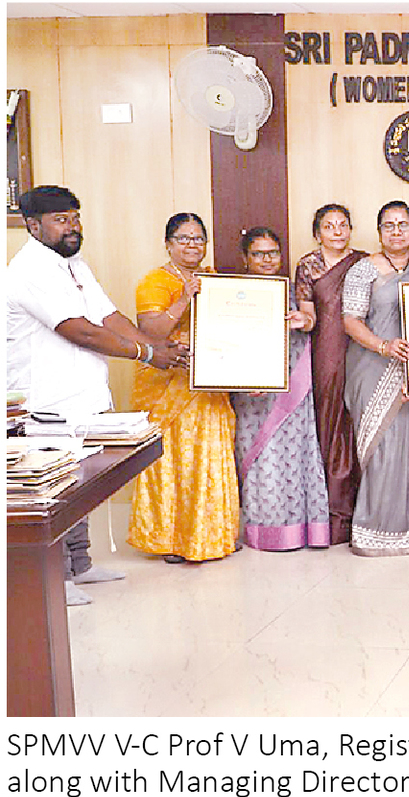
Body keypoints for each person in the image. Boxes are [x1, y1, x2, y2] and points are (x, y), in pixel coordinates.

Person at [7, 186, 187, 605]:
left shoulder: (74, 264)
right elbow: (80, 331)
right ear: (33, 226)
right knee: (55, 488)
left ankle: (81, 564)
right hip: (46, 401)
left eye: (75, 217)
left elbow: (107, 316)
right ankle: (58, 579)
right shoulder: (29, 270)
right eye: (61, 220)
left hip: (82, 396)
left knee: (82, 483)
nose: (72, 227)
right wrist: (147, 354)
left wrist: (154, 346)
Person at [128, 212, 239, 564]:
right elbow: (152, 333)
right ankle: (173, 539)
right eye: (184, 238)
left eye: (198, 238)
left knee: (211, 456)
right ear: (168, 244)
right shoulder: (154, 282)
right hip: (169, 386)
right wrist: (185, 297)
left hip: (208, 383)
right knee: (177, 461)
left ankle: (213, 534)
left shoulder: (213, 278)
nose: (193, 245)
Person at [341, 201, 409, 556]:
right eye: (389, 225)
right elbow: (351, 320)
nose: (396, 231)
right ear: (379, 231)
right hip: (372, 367)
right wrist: (384, 346)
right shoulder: (362, 270)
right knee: (382, 445)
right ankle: (377, 529)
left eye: (403, 224)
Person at [230, 227, 330, 551]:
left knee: (295, 457)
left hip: (292, 390)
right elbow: (225, 342)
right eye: (258, 254)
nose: (266, 260)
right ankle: (265, 531)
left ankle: (301, 530)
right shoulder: (233, 294)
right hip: (251, 391)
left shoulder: (291, 291)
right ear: (245, 258)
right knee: (260, 459)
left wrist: (304, 320)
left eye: (272, 253)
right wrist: (243, 380)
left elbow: (311, 322)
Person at [294, 204, 366, 543]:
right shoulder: (308, 266)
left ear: (350, 229)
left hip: (363, 350)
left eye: (342, 225)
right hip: (327, 351)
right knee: (330, 423)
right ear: (317, 233)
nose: (337, 231)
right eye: (329, 226)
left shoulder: (364, 262)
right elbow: (309, 316)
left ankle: (363, 513)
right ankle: (333, 516)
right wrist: (301, 320)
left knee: (360, 423)